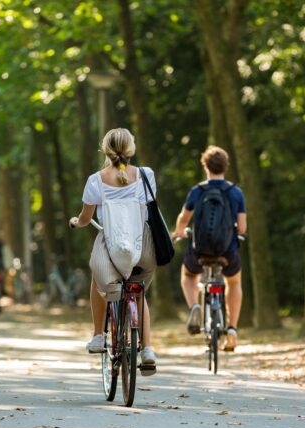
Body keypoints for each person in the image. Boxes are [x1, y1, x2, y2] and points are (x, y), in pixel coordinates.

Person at [69, 127, 157, 372]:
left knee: (98, 278)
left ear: (105, 150)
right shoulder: (147, 175)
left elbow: (86, 218)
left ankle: (98, 335)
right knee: (138, 291)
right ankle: (147, 349)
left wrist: (77, 222)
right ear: (131, 148)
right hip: (142, 249)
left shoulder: (96, 180)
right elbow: (147, 210)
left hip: (111, 247)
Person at [172, 145, 247, 351]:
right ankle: (232, 329)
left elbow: (184, 218)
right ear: (225, 166)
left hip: (200, 251)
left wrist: (179, 232)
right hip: (227, 251)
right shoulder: (235, 193)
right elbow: (242, 227)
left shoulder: (198, 191)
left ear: (205, 166)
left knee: (188, 276)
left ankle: (195, 306)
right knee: (234, 281)